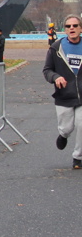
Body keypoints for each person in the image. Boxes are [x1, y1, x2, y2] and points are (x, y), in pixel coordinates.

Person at [43, 15, 82, 170]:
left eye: (75, 25)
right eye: (68, 26)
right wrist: (56, 77)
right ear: (65, 30)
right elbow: (47, 70)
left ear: (80, 28)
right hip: (64, 95)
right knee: (67, 128)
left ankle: (78, 157)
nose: (71, 28)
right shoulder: (56, 48)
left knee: (81, 124)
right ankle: (63, 135)